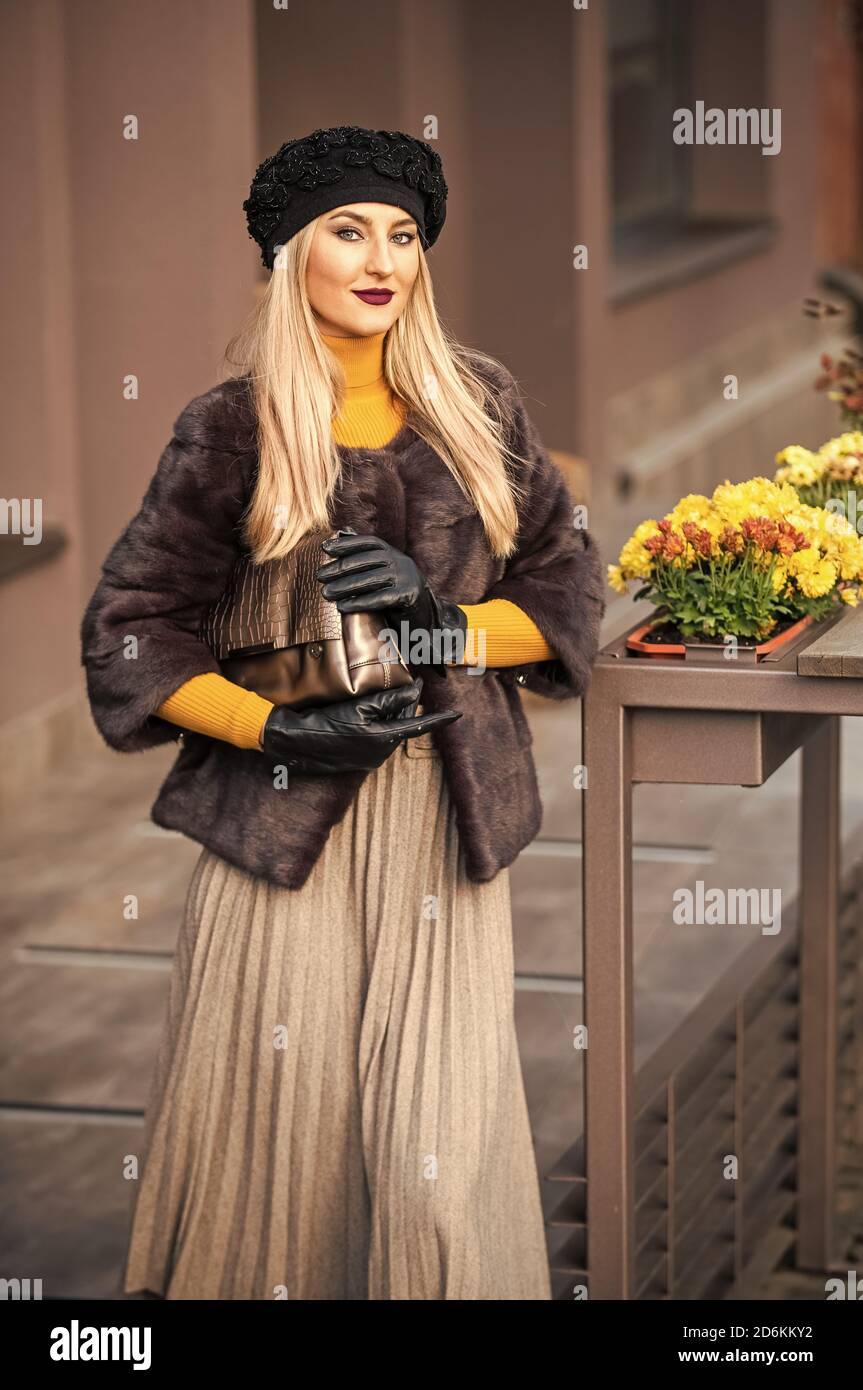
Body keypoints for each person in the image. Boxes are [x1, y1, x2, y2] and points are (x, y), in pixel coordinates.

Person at [80, 125, 606, 1300]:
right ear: (289, 256)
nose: (382, 259)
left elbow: (568, 583)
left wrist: (444, 628)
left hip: (444, 822)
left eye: (404, 236)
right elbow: (130, 628)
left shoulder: (479, 402)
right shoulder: (231, 425)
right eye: (348, 232)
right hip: (281, 832)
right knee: (272, 1167)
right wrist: (274, 730)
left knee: (437, 1176)